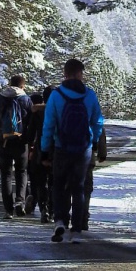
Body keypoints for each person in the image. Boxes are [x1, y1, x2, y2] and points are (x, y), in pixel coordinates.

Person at [40, 58, 104, 244]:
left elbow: (48, 125)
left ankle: (60, 220)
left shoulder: (56, 95)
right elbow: (98, 122)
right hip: (82, 149)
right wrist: (91, 141)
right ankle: (76, 229)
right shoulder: (90, 95)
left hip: (61, 147)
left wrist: (45, 150)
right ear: (80, 74)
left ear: (65, 73)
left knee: (59, 185)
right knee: (79, 188)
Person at [0, 74, 33, 218]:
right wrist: (28, 139)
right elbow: (30, 122)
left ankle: (8, 209)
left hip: (4, 141)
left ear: (10, 84)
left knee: (6, 174)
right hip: (20, 141)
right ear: (22, 85)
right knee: (21, 172)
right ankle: (20, 201)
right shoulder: (26, 99)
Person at [24, 89, 53, 223]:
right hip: (57, 151)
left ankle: (44, 208)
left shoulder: (38, 112)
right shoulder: (60, 110)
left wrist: (30, 148)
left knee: (41, 182)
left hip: (40, 150)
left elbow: (30, 135)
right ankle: (53, 209)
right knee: (54, 181)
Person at [82, 126, 107, 231]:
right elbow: (99, 127)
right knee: (86, 189)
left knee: (70, 187)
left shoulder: (66, 109)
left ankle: (65, 217)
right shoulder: (92, 110)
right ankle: (83, 216)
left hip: (68, 154)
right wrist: (102, 152)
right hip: (88, 155)